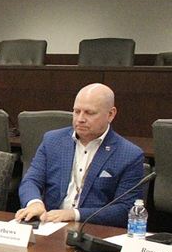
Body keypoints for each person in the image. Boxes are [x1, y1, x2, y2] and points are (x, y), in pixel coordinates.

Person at [16, 83, 144, 227]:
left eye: (90, 113)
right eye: (77, 112)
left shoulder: (130, 154)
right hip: (50, 226)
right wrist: (34, 203)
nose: (80, 119)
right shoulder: (52, 140)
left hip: (92, 231)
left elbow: (124, 209)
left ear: (111, 114)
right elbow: (31, 181)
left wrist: (75, 214)